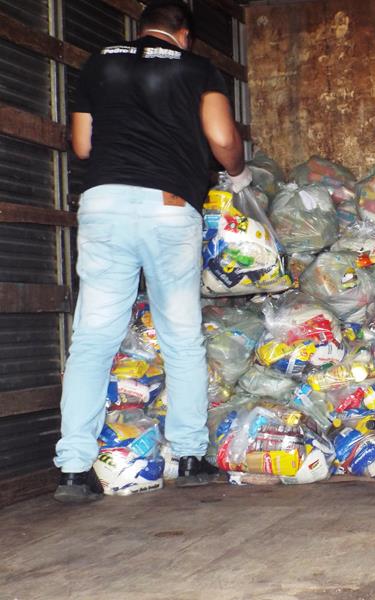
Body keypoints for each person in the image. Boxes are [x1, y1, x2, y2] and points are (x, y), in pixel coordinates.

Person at [54, 0, 253, 503]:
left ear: (141, 29)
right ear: (182, 35)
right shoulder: (195, 67)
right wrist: (237, 171)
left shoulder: (99, 62)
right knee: (180, 338)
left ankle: (74, 469)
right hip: (168, 207)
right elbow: (222, 137)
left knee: (93, 340)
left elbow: (81, 146)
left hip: (104, 205)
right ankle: (189, 456)